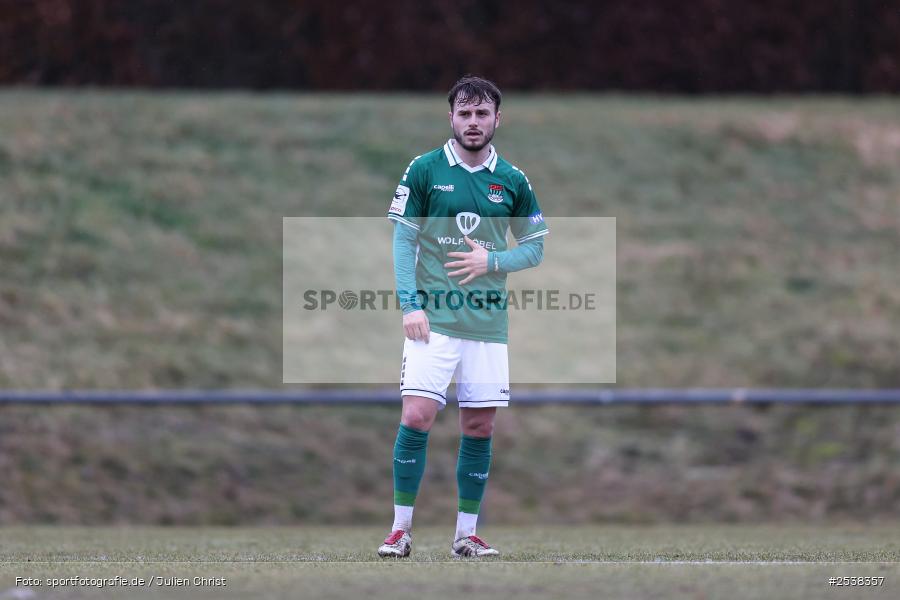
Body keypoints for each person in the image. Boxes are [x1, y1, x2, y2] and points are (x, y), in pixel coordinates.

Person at [379, 76, 548, 558]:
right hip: (434, 320)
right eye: (464, 114)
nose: (473, 122)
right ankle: (400, 529)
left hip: (488, 326)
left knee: (479, 428)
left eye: (482, 114)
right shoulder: (426, 169)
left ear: (498, 118)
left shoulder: (513, 180)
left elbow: (535, 248)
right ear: (451, 117)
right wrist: (410, 304)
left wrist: (491, 262)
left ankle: (466, 534)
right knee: (417, 415)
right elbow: (403, 240)